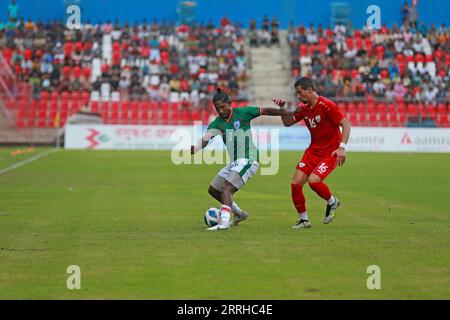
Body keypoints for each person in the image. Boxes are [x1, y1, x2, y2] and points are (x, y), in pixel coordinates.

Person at [191, 88, 298, 231]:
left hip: (249, 158)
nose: (221, 111)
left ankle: (223, 223)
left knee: (227, 188)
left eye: (223, 107)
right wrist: (197, 148)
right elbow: (206, 138)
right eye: (218, 109)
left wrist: (286, 112)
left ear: (230, 104)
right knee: (214, 190)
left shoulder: (243, 113)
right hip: (234, 162)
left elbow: (265, 111)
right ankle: (239, 213)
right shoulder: (217, 123)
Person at [273, 77, 351, 229]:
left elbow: (346, 124)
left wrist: (342, 147)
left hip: (330, 153)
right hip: (313, 151)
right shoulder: (304, 108)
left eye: (300, 93)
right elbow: (287, 123)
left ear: (310, 90)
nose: (298, 96)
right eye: (297, 93)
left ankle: (332, 202)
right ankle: (304, 220)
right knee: (295, 183)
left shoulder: (327, 106)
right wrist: (282, 109)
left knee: (314, 181)